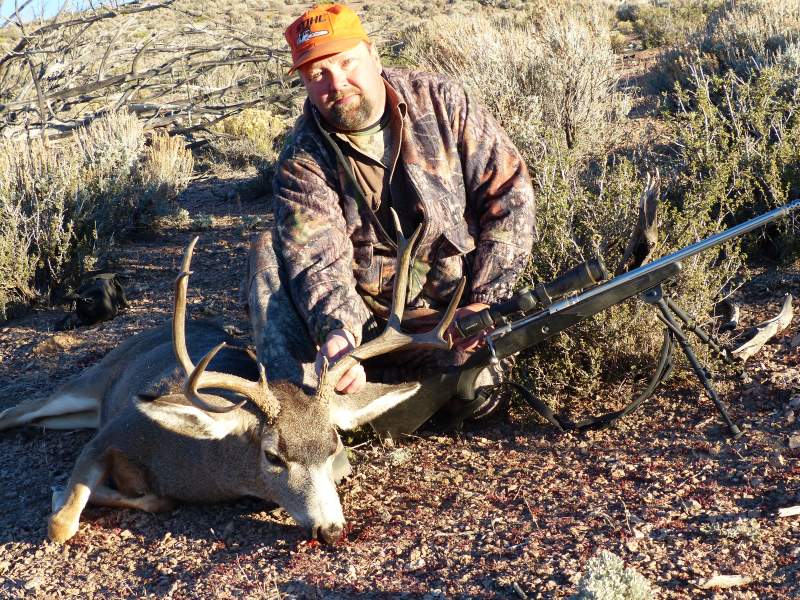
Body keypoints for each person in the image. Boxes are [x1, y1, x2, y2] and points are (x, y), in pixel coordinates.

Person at [246, 3, 535, 428]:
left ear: (373, 55)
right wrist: (339, 335)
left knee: (478, 395)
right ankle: (302, 418)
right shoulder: (301, 159)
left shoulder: (441, 101)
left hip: (455, 313)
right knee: (267, 253)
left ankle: (397, 396)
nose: (336, 83)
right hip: (364, 332)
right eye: (317, 75)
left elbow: (509, 193)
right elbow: (316, 257)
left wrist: (484, 302)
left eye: (346, 63)